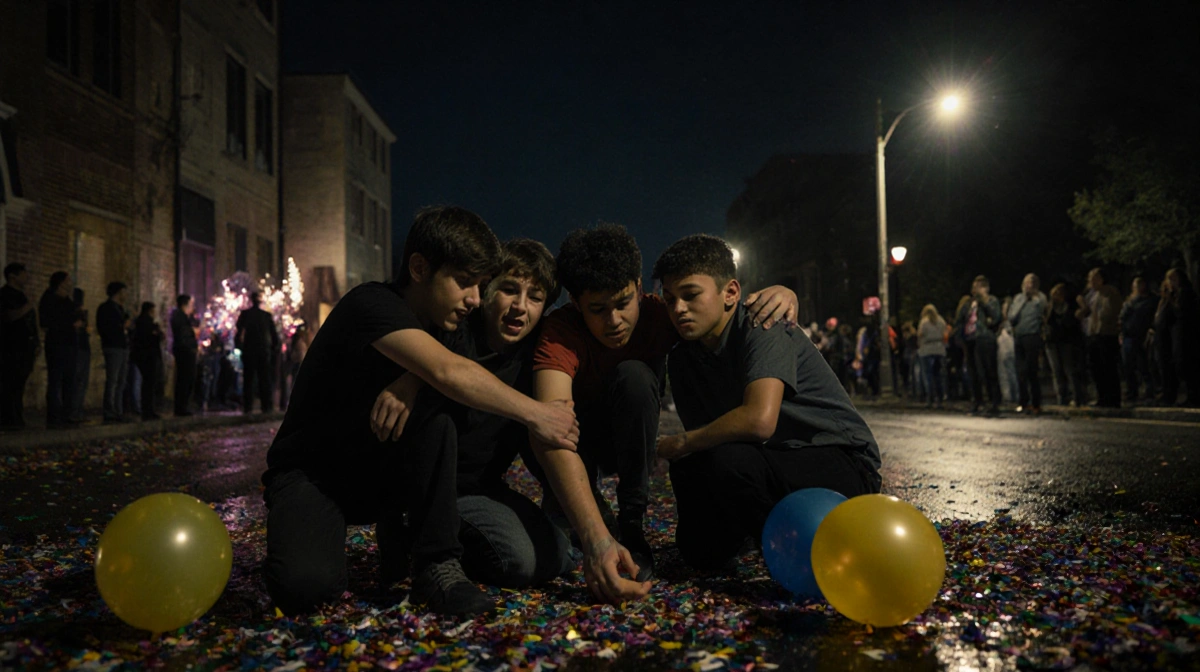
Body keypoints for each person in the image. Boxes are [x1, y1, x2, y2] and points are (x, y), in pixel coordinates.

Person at [261, 206, 579, 618]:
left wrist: (416, 384)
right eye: (464, 283)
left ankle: (435, 564)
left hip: (386, 480)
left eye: (481, 285)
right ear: (418, 267)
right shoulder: (370, 303)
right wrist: (538, 413)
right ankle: (336, 542)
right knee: (305, 587)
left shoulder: (446, 326)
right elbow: (449, 370)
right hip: (316, 476)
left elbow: (447, 368)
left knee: (437, 417)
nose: (474, 300)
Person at [527, 223, 796, 590]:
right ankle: (595, 515)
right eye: (597, 309)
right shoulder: (560, 332)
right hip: (580, 440)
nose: (614, 321)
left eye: (623, 303)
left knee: (634, 376)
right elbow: (550, 427)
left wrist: (783, 293)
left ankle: (632, 522)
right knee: (559, 544)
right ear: (575, 304)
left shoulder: (662, 314)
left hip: (634, 437)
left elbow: (718, 312)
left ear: (639, 289)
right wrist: (596, 537)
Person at [651, 234, 882, 570]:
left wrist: (679, 442)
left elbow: (759, 421)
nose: (678, 309)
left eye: (690, 295)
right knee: (698, 545)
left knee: (724, 458)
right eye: (669, 299)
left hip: (838, 460)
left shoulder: (763, 323)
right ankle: (750, 535)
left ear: (730, 292)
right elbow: (706, 439)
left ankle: (787, 551)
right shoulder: (684, 358)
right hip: (769, 462)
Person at [370, 239, 575, 592]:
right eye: (509, 290)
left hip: (482, 487)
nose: (520, 308)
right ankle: (419, 541)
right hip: (434, 487)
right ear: (486, 290)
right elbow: (444, 367)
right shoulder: (454, 331)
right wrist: (414, 378)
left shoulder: (535, 351)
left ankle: (454, 539)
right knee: (519, 563)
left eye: (535, 297)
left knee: (560, 554)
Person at [40, 271, 81, 428]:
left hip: (70, 343)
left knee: (68, 380)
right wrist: (70, 324)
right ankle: (54, 416)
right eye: (68, 280)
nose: (70, 282)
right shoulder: (49, 299)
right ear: (61, 282)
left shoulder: (67, 300)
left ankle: (66, 413)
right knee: (55, 379)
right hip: (57, 343)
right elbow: (47, 322)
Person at [1, 263, 40, 430]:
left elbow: (31, 321)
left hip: (26, 347)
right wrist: (27, 307)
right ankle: (8, 419)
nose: (26, 277)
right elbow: (9, 316)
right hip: (11, 347)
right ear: (13, 276)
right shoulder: (5, 295)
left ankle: (17, 417)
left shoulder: (22, 296)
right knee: (10, 383)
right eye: (23, 274)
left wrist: (36, 341)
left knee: (20, 384)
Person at [1076, 268, 1122, 408]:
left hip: (1106, 334)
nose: (1090, 281)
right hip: (1093, 334)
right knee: (1097, 368)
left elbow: (1108, 313)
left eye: (1094, 278)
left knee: (1108, 367)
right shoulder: (1091, 294)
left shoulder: (1109, 292)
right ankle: (1102, 397)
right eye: (1090, 278)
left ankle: (1113, 398)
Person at [956, 276, 1001, 416]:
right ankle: (977, 401)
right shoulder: (969, 303)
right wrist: (959, 335)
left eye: (978, 287)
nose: (975, 290)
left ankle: (994, 402)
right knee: (973, 372)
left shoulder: (991, 300)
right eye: (974, 287)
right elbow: (960, 319)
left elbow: (996, 317)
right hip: (970, 339)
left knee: (988, 371)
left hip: (984, 338)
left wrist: (984, 300)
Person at [1156, 269, 1199, 406]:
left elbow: (1182, 312)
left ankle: (1192, 396)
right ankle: (1169, 395)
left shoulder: (1185, 293)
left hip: (1184, 334)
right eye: (1168, 279)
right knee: (1168, 364)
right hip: (1167, 335)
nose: (1170, 282)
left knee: (1184, 364)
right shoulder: (1167, 296)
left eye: (1173, 278)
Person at [1007, 274, 1047, 414]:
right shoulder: (1018, 298)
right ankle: (1023, 402)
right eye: (1025, 283)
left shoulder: (1040, 298)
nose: (1027, 286)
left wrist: (1033, 297)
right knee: (1020, 371)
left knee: (1032, 370)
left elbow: (1041, 311)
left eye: (1030, 283)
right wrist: (1024, 300)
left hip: (1032, 336)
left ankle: (1036, 403)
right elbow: (1012, 317)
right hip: (1019, 336)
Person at [1044, 283, 1088, 406]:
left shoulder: (1071, 304)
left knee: (1070, 370)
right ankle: (1062, 398)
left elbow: (1080, 315)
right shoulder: (1051, 306)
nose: (1057, 295)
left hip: (1068, 341)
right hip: (1053, 341)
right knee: (1057, 371)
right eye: (1055, 293)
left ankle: (1077, 397)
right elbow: (1046, 321)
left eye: (1059, 292)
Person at [236, 292, 280, 414]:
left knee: (248, 379)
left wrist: (240, 347)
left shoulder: (245, 314)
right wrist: (274, 348)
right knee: (264, 379)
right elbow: (274, 334)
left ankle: (248, 406)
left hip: (249, 350)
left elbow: (239, 331)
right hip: (263, 350)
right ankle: (266, 406)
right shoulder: (266, 316)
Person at [97, 282, 132, 423]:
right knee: (112, 379)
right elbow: (106, 328)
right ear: (117, 293)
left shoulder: (121, 309)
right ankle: (109, 411)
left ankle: (118, 411)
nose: (126, 295)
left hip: (123, 347)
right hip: (113, 347)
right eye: (124, 292)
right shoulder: (106, 308)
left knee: (121, 380)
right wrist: (123, 326)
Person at [1119, 277, 1157, 403]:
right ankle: (1132, 391)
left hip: (1141, 335)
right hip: (1128, 335)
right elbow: (1123, 317)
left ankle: (1149, 391)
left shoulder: (1150, 300)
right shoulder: (1130, 301)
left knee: (1144, 365)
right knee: (1128, 365)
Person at [131, 302, 164, 420]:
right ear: (150, 311)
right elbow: (152, 337)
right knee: (149, 384)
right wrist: (157, 333)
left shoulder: (141, 322)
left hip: (144, 356)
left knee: (148, 383)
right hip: (148, 356)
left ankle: (148, 409)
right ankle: (148, 410)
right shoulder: (146, 323)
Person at [171, 294, 200, 416]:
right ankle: (181, 407)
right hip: (184, 351)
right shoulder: (179, 316)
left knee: (187, 379)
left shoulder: (184, 317)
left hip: (186, 350)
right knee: (184, 378)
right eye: (190, 304)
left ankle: (183, 406)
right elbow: (183, 334)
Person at [917, 304, 947, 409]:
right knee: (938, 376)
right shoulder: (941, 321)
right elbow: (945, 334)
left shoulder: (924, 322)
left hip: (926, 350)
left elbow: (920, 334)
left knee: (928, 376)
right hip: (939, 350)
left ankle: (930, 399)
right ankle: (940, 399)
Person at [69, 288, 91, 422]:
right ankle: (74, 411)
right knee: (78, 381)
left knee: (81, 381)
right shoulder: (73, 312)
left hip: (83, 347)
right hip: (78, 348)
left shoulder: (81, 313)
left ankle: (77, 411)